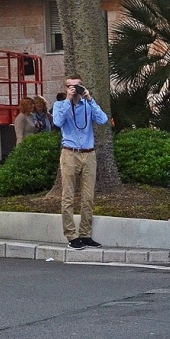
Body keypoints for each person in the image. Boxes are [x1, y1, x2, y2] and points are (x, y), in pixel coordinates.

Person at [53, 74, 109, 249]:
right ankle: (71, 236)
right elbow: (57, 122)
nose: (74, 89)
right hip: (70, 153)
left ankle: (85, 234)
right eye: (70, 86)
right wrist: (68, 100)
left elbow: (103, 120)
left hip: (89, 154)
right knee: (68, 196)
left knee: (88, 197)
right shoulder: (60, 105)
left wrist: (90, 99)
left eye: (77, 86)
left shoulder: (88, 105)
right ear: (65, 88)